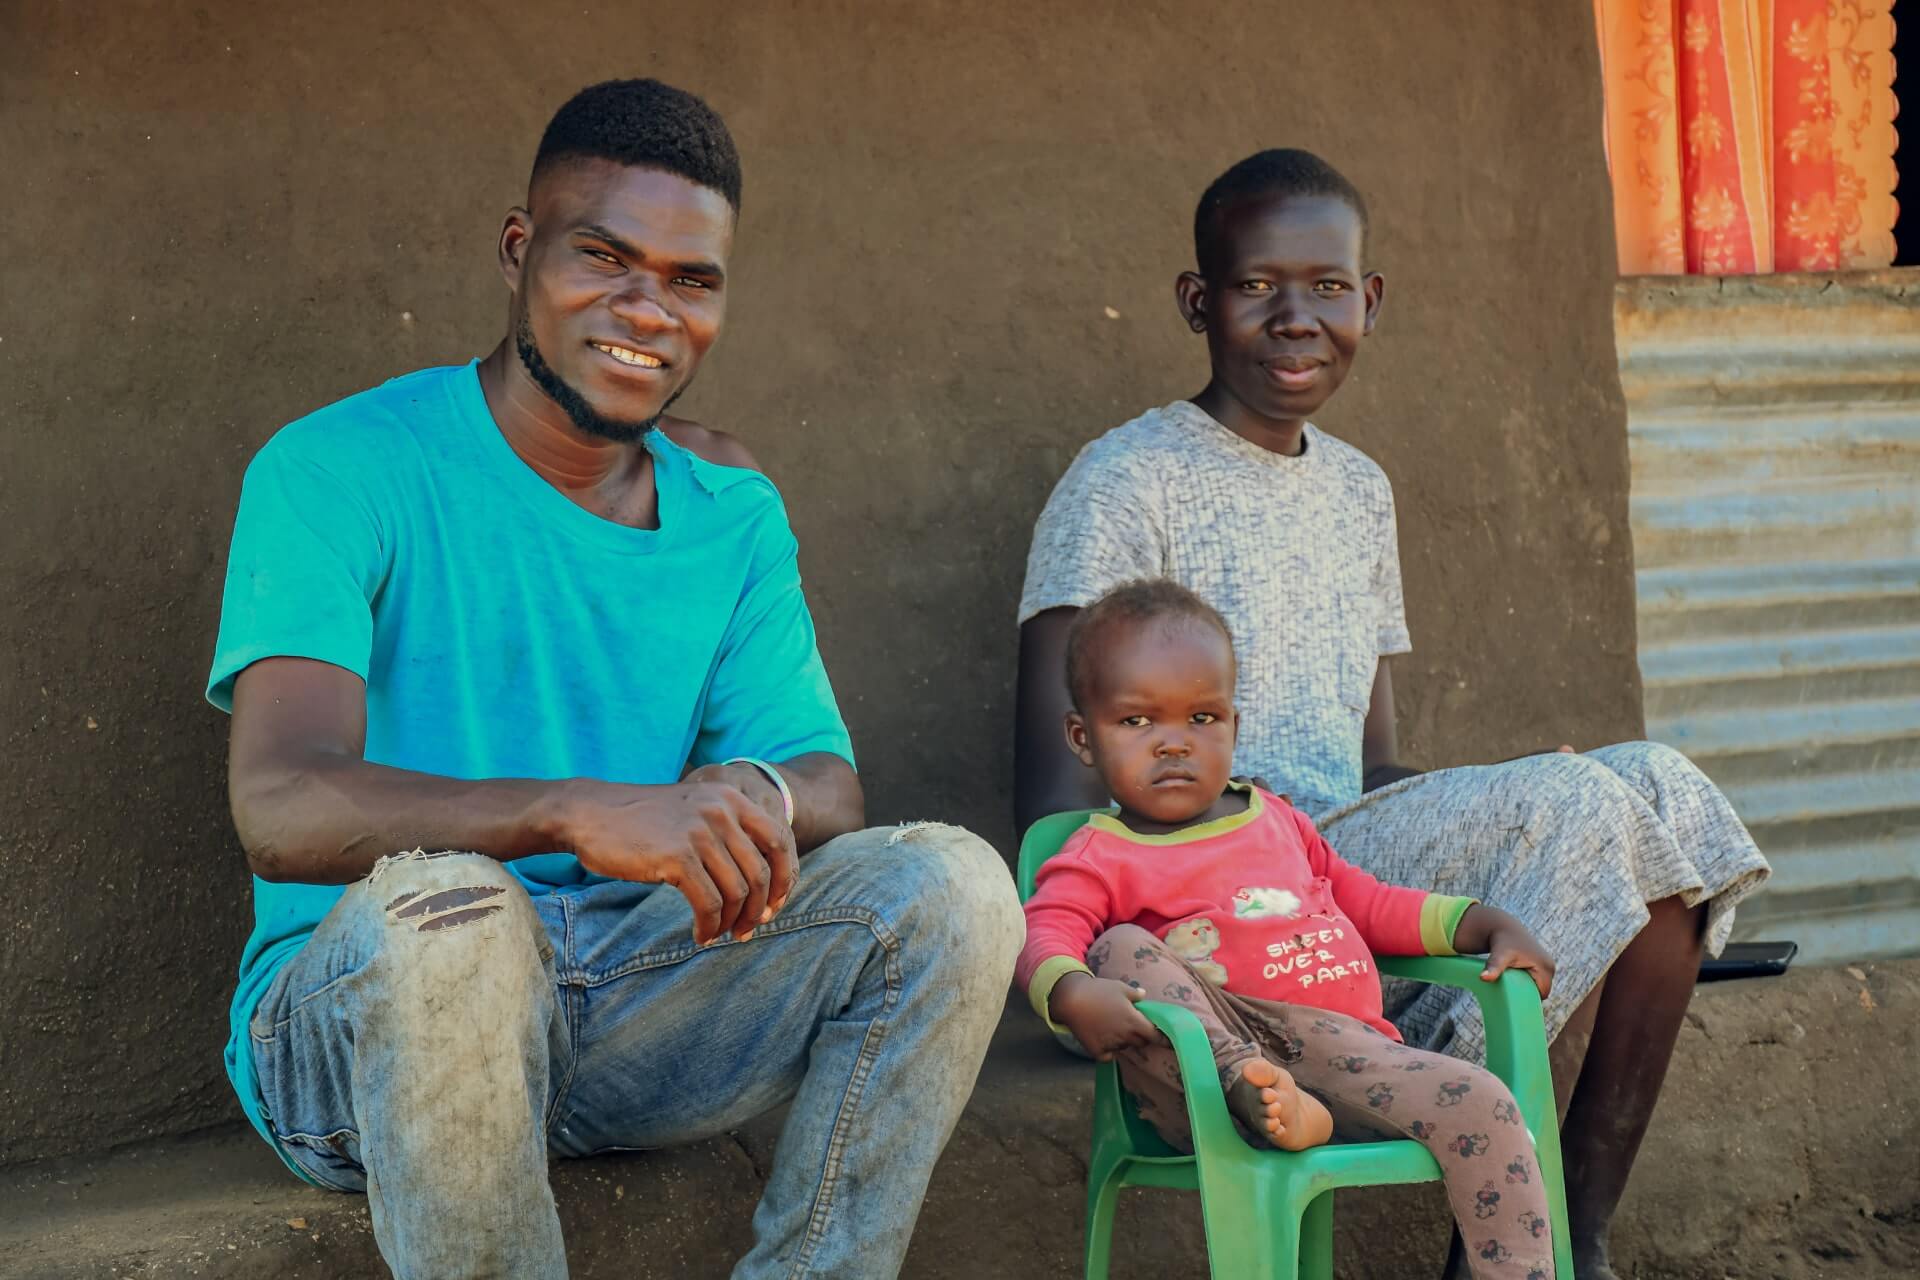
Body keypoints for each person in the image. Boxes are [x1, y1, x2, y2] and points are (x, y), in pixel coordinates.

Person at [208, 78, 1023, 1280]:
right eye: (605, 258)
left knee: (953, 882)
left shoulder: (729, 512)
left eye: (694, 281)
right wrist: (573, 806)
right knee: (457, 913)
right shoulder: (340, 466)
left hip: (628, 1003)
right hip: (370, 1021)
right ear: (518, 248)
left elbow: (827, 783)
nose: (649, 310)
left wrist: (726, 799)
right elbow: (279, 803)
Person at [1012, 149, 1770, 1280]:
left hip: (1344, 851)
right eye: (1258, 285)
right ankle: (1451, 1151)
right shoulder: (1126, 481)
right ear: (1196, 300)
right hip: (1220, 890)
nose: (1295, 317)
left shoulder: (1361, 488)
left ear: (1369, 302)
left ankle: (1578, 1237)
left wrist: (1505, 789)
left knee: (1654, 784)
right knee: (1582, 800)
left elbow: (1373, 767)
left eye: (1327, 287)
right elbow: (1057, 796)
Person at [1019, 579, 1557, 1280]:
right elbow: (1042, 935)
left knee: (1485, 1101)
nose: (1174, 744)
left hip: (1349, 1060)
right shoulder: (1100, 854)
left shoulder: (1277, 819)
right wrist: (1069, 994)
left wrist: (1482, 922)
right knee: (1117, 949)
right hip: (1204, 1086)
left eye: (1203, 718)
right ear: (1082, 738)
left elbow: (1369, 904)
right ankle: (1257, 1087)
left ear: (1235, 727)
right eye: (1138, 723)